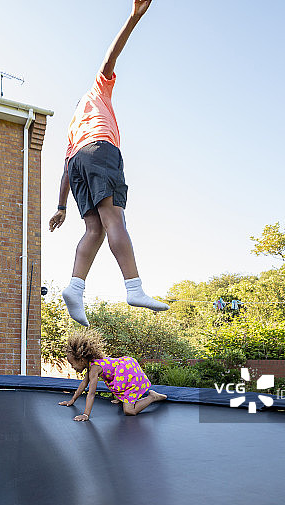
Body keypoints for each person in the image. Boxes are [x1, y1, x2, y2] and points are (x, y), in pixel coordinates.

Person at [49, 0, 168, 326]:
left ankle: (75, 286)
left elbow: (65, 168)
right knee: (115, 221)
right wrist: (133, 18)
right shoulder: (97, 94)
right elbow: (108, 60)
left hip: (77, 163)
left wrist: (61, 207)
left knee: (94, 228)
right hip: (102, 152)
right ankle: (134, 287)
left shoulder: (74, 125)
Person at [58, 329, 166, 421]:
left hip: (130, 374)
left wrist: (86, 414)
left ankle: (152, 397)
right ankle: (123, 398)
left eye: (72, 364)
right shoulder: (91, 365)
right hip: (125, 370)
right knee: (118, 385)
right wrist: (72, 400)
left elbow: (91, 393)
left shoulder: (94, 368)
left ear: (81, 360)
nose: (72, 367)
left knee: (129, 411)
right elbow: (83, 384)